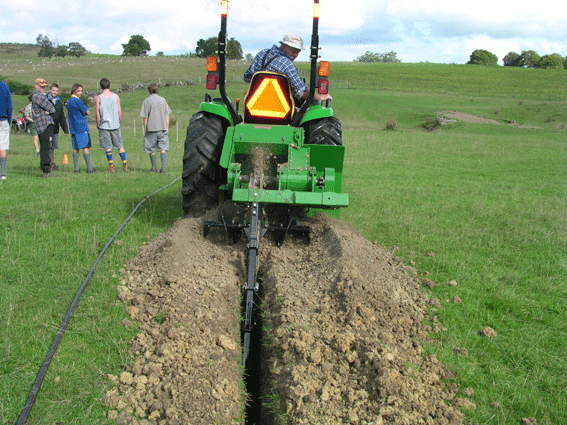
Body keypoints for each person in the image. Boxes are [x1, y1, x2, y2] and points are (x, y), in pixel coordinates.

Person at [243, 34, 332, 103]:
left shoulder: (262, 54)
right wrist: (319, 96)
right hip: (279, 108)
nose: (295, 55)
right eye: (294, 51)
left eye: (298, 52)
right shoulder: (288, 65)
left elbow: (246, 77)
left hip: (253, 105)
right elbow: (301, 93)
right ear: (284, 46)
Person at [96, 78, 129, 173]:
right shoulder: (116, 96)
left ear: (101, 86)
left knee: (108, 147)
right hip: (115, 124)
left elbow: (98, 112)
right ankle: (125, 164)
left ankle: (111, 166)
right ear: (109, 85)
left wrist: (98, 123)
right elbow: (120, 110)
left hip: (104, 125)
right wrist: (119, 120)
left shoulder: (99, 97)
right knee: (120, 146)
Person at [140, 83, 171, 173]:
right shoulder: (163, 100)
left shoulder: (147, 101)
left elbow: (145, 117)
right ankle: (163, 169)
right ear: (157, 90)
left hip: (151, 128)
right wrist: (167, 127)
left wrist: (146, 128)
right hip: (162, 128)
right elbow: (167, 115)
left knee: (151, 149)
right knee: (163, 149)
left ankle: (154, 168)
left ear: (149, 91)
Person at [66, 83, 96, 174]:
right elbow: (87, 112)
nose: (80, 93)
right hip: (81, 127)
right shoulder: (78, 101)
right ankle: (90, 169)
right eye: (79, 91)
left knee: (76, 148)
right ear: (74, 91)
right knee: (86, 147)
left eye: (81, 91)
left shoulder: (69, 101)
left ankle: (76, 169)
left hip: (73, 127)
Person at [31, 78, 56, 177]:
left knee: (45, 146)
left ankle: (46, 168)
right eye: (41, 86)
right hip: (44, 124)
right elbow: (52, 108)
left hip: (41, 124)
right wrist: (47, 111)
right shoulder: (39, 96)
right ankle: (46, 170)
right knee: (46, 147)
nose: (43, 88)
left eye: (44, 86)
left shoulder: (35, 96)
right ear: (36, 86)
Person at [47, 83, 69, 171]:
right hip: (46, 127)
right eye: (53, 90)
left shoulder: (59, 103)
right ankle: (46, 163)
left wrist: (65, 130)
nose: (55, 92)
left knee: (53, 147)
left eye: (56, 91)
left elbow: (62, 117)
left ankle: (52, 163)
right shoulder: (45, 100)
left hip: (55, 128)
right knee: (47, 146)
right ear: (50, 90)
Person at [0, 79, 12, 180]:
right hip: (3, 119)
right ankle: (3, 173)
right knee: (3, 145)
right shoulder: (5, 87)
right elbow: (9, 106)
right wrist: (9, 119)